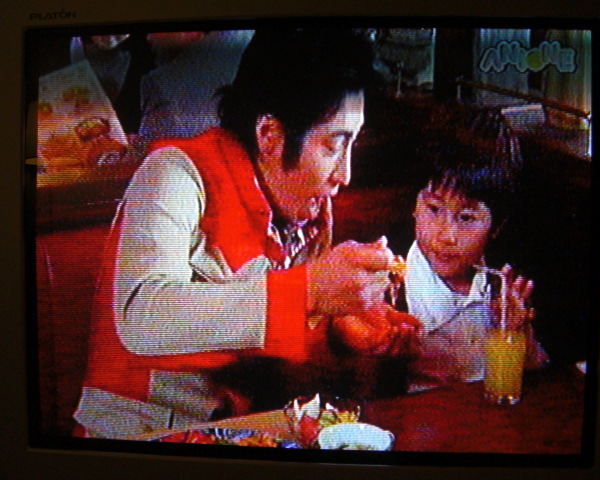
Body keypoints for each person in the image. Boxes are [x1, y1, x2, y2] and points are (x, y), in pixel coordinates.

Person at [73, 28, 419, 439]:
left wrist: (338, 336)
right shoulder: (173, 175)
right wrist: (310, 290)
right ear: (269, 134)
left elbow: (273, 355)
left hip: (241, 432)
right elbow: (142, 316)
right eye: (333, 146)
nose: (344, 174)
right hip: (138, 434)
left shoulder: (309, 213)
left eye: (352, 145)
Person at [403, 136, 549, 390]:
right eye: (434, 209)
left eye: (466, 217)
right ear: (414, 207)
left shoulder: (502, 282)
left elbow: (538, 375)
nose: (446, 236)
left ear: (496, 226)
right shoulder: (392, 286)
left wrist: (517, 331)